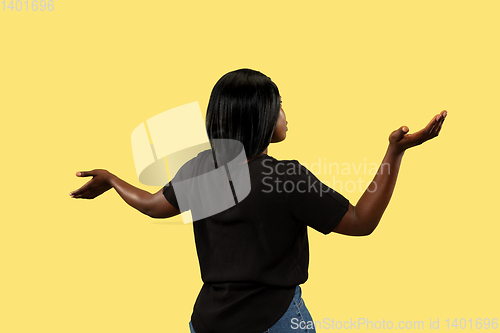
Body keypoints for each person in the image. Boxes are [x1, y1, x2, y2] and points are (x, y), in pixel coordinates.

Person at [70, 69, 447, 333]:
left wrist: (112, 180)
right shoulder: (284, 177)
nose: (285, 113)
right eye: (278, 105)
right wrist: (395, 152)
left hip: (206, 322)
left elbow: (153, 205)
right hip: (275, 321)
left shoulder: (201, 169)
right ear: (261, 116)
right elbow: (361, 222)